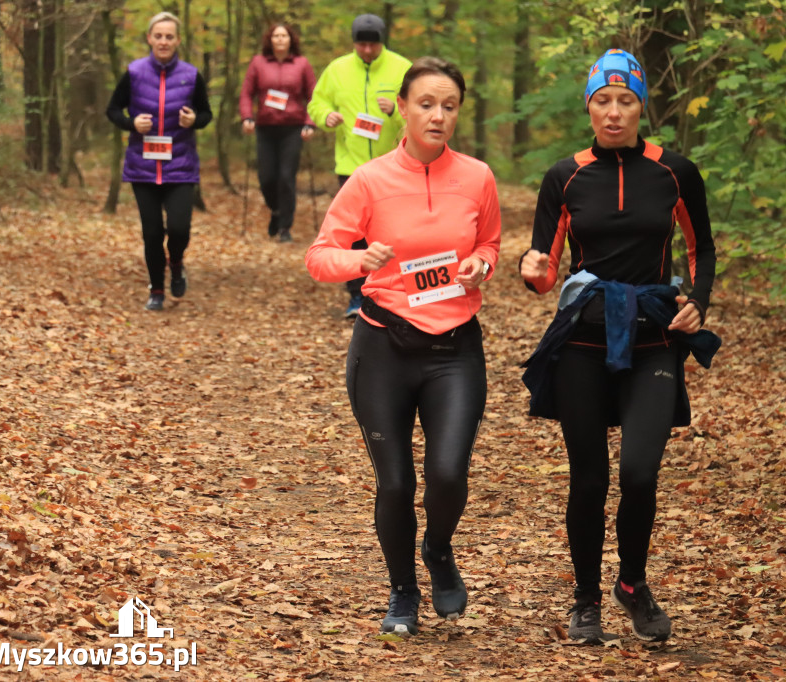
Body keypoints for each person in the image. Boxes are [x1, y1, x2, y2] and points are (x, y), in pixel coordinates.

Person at [519, 49, 721, 644]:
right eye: (602, 101)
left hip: (655, 340)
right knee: (589, 479)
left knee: (638, 472)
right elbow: (544, 270)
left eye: (625, 101)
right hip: (582, 341)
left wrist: (699, 301)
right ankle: (585, 600)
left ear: (642, 106)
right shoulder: (565, 176)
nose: (613, 113)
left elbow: (701, 248)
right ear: (588, 106)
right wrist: (530, 270)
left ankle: (631, 582)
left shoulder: (674, 172)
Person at [305, 56, 501, 638]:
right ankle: (402, 590)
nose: (438, 115)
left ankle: (438, 551)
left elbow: (488, 242)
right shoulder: (369, 181)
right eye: (426, 104)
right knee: (394, 483)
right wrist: (357, 260)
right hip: (383, 347)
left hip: (454, 350)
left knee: (447, 473)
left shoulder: (478, 177)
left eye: (449, 106)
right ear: (404, 110)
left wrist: (478, 266)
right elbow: (320, 256)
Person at [307, 13, 411, 318]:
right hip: (350, 165)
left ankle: (393, 292)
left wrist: (395, 111)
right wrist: (325, 117)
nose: (367, 50)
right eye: (361, 44)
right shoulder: (337, 69)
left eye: (373, 44)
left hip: (393, 165)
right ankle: (356, 296)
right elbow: (316, 103)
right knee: (355, 234)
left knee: (393, 231)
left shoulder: (402, 68)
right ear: (354, 43)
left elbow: (420, 106)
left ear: (382, 42)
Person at [106, 11, 212, 311]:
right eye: (158, 36)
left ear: (177, 40)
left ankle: (176, 262)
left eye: (169, 36)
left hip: (180, 166)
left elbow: (206, 114)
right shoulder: (134, 72)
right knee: (152, 232)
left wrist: (194, 120)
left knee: (179, 229)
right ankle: (156, 289)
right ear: (149, 38)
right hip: (143, 167)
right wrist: (131, 123)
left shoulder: (191, 75)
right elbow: (113, 110)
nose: (163, 41)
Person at [239, 22, 317, 243]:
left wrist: (310, 123)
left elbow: (314, 96)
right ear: (270, 40)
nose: (280, 40)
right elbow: (246, 93)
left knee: (286, 177)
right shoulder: (258, 63)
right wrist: (247, 117)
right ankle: (275, 210)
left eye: (284, 36)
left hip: (293, 129)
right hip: (265, 128)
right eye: (276, 36)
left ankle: (285, 227)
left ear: (291, 40)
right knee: (266, 178)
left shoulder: (302, 64)